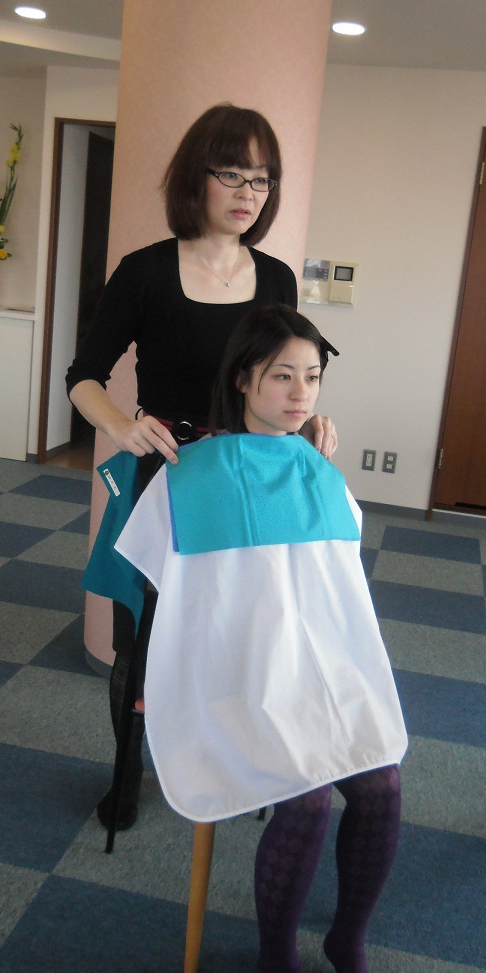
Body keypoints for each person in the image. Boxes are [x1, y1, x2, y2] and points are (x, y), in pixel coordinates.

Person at [114, 306, 408, 973]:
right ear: (244, 379)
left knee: (381, 781)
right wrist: (149, 674)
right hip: (232, 676)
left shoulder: (319, 472)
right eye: (282, 376)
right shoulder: (188, 475)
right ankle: (276, 959)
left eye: (312, 377)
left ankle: (347, 941)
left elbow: (334, 593)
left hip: (316, 666)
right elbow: (158, 589)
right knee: (306, 798)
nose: (300, 393)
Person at [66, 105, 336, 828]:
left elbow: (277, 377)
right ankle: (128, 773)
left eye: (262, 179)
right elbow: (83, 376)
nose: (248, 193)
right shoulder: (145, 271)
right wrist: (123, 426)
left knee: (240, 633)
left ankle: (228, 764)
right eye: (231, 174)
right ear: (197, 177)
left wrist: (304, 417)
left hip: (247, 480)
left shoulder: (276, 277)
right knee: (146, 636)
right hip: (170, 476)